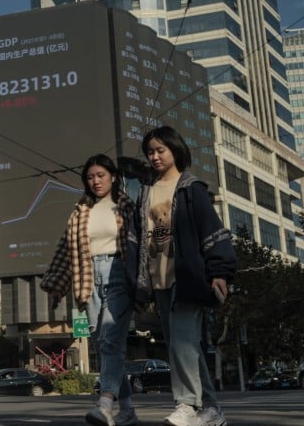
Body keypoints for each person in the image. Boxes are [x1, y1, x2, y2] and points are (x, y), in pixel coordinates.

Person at [133, 126, 235, 426]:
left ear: (175, 150)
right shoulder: (145, 193)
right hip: (158, 278)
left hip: (188, 276)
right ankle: (212, 410)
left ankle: (187, 403)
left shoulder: (191, 187)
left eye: (160, 150)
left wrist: (220, 272)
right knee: (187, 345)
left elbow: (212, 230)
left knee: (181, 342)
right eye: (150, 151)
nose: (154, 156)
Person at [41, 154, 140, 426]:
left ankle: (105, 403)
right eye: (90, 177)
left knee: (110, 338)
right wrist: (55, 285)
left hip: (119, 272)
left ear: (113, 177)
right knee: (104, 344)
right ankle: (128, 408)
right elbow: (65, 251)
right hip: (87, 278)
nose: (95, 181)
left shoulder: (126, 206)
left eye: (101, 175)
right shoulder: (80, 210)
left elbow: (139, 244)